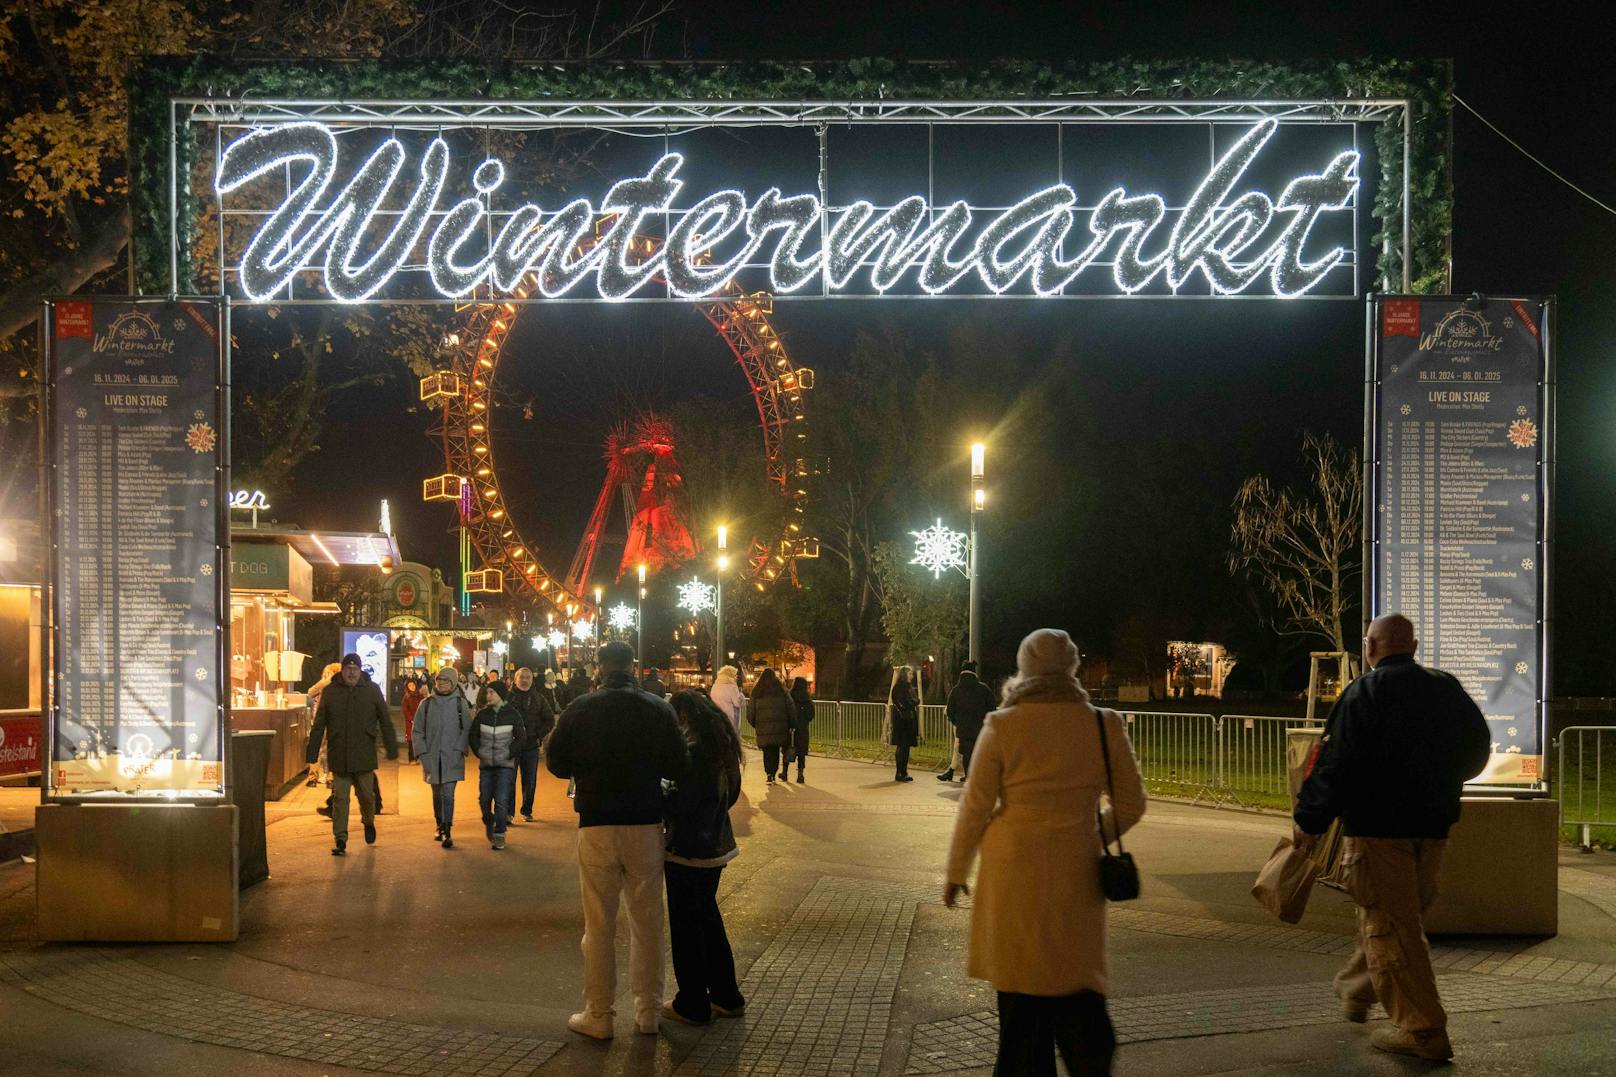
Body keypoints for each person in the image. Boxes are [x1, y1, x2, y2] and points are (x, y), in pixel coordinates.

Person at [945, 628, 1146, 1077]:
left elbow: (975, 806)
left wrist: (956, 871)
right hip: (1077, 870)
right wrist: (1091, 835)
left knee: (1020, 1007)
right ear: (1073, 665)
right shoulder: (1103, 723)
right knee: (1076, 990)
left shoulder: (1002, 725)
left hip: (1010, 869)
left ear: (1025, 667)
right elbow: (1132, 804)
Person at [1294, 613, 1489, 1063]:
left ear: (1370, 648)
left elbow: (1334, 765)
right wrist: (1442, 786)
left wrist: (1310, 818)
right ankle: (1358, 986)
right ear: (1414, 646)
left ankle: (1423, 1032)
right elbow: (1477, 750)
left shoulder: (1362, 694)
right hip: (1433, 828)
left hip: (1377, 832)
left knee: (1392, 929)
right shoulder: (1446, 689)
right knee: (1400, 919)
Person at [547, 640, 690, 1040]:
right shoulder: (658, 709)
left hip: (596, 823)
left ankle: (599, 1013)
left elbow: (556, 761)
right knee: (647, 922)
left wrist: (586, 770)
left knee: (599, 924)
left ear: (600, 667)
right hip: (645, 823)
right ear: (633, 666)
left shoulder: (581, 708)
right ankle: (647, 1011)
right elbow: (679, 762)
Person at [660, 691, 748, 1026]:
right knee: (708, 922)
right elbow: (729, 796)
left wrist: (664, 799)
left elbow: (684, 805)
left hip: (689, 851)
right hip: (716, 846)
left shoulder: (695, 754)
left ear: (684, 718)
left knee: (686, 929)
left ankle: (692, 1001)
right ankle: (726, 995)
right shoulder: (722, 750)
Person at [306, 653, 399, 856]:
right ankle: (340, 838)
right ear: (342, 671)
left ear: (360, 670)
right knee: (340, 798)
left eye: (354, 669)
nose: (351, 673)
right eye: (347, 669)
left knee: (366, 795)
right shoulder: (331, 692)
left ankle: (368, 821)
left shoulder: (372, 690)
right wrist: (311, 753)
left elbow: (385, 720)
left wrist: (392, 748)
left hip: (364, 754)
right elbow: (319, 723)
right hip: (339, 754)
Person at [412, 667, 471, 849]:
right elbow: (418, 731)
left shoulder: (460, 704)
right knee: (437, 793)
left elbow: (466, 730)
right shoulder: (427, 704)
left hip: (452, 756)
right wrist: (423, 753)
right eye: (439, 681)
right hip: (432, 757)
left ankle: (447, 828)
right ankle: (439, 822)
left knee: (448, 794)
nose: (442, 684)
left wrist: (459, 750)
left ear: (453, 683)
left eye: (446, 681)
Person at [469, 679, 526, 851]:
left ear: (500, 695)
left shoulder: (512, 714)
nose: (488, 696)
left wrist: (508, 753)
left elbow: (521, 738)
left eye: (491, 692)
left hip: (505, 766)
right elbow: (473, 735)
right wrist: (480, 752)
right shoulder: (483, 714)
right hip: (486, 765)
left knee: (501, 800)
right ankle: (488, 821)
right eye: (487, 692)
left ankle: (500, 834)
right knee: (484, 799)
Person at [508, 666, 556, 823]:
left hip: (531, 745)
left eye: (528, 677)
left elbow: (549, 720)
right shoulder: (507, 698)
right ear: (515, 679)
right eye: (521, 677)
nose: (524, 680)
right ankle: (508, 812)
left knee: (529, 780)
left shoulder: (539, 698)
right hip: (510, 746)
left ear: (532, 680)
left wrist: (538, 735)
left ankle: (527, 810)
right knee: (508, 779)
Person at [939, 661, 997, 783]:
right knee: (980, 752)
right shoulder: (983, 689)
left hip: (963, 729)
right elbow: (992, 707)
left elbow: (950, 711)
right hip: (981, 728)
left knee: (967, 754)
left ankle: (968, 776)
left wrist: (957, 722)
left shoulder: (956, 690)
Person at [745, 668, 794, 784]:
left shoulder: (757, 692)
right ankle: (773, 772)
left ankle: (769, 774)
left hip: (763, 728)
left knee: (767, 752)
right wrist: (792, 723)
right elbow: (790, 708)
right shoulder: (782, 691)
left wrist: (755, 724)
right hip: (779, 728)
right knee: (775, 750)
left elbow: (750, 712)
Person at [304, 661, 342, 787]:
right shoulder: (342, 685)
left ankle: (313, 777)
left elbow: (310, 692)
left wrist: (324, 681)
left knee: (317, 747)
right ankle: (331, 778)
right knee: (332, 748)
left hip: (321, 720)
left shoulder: (325, 684)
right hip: (335, 720)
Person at [886, 666, 920, 783]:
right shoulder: (899, 687)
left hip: (909, 720)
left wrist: (913, 702)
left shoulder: (908, 687)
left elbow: (916, 700)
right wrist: (911, 703)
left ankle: (904, 771)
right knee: (902, 746)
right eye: (910, 673)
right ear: (905, 674)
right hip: (902, 721)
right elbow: (905, 702)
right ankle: (900, 772)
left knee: (906, 747)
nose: (912, 676)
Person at [787, 675, 814, 784]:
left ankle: (785, 772)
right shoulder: (807, 699)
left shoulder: (789, 696)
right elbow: (811, 714)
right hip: (802, 728)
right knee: (801, 752)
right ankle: (800, 774)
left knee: (788, 749)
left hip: (790, 727)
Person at [709, 665, 745, 736]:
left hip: (717, 717)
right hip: (730, 718)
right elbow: (738, 703)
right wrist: (741, 695)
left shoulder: (715, 686)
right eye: (735, 675)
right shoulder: (732, 687)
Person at [401, 679, 424, 762]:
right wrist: (411, 719)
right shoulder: (406, 698)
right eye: (410, 686)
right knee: (411, 741)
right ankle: (412, 759)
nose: (412, 687)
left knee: (419, 740)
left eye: (413, 685)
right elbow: (405, 710)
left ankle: (417, 757)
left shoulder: (420, 696)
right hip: (411, 722)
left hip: (420, 721)